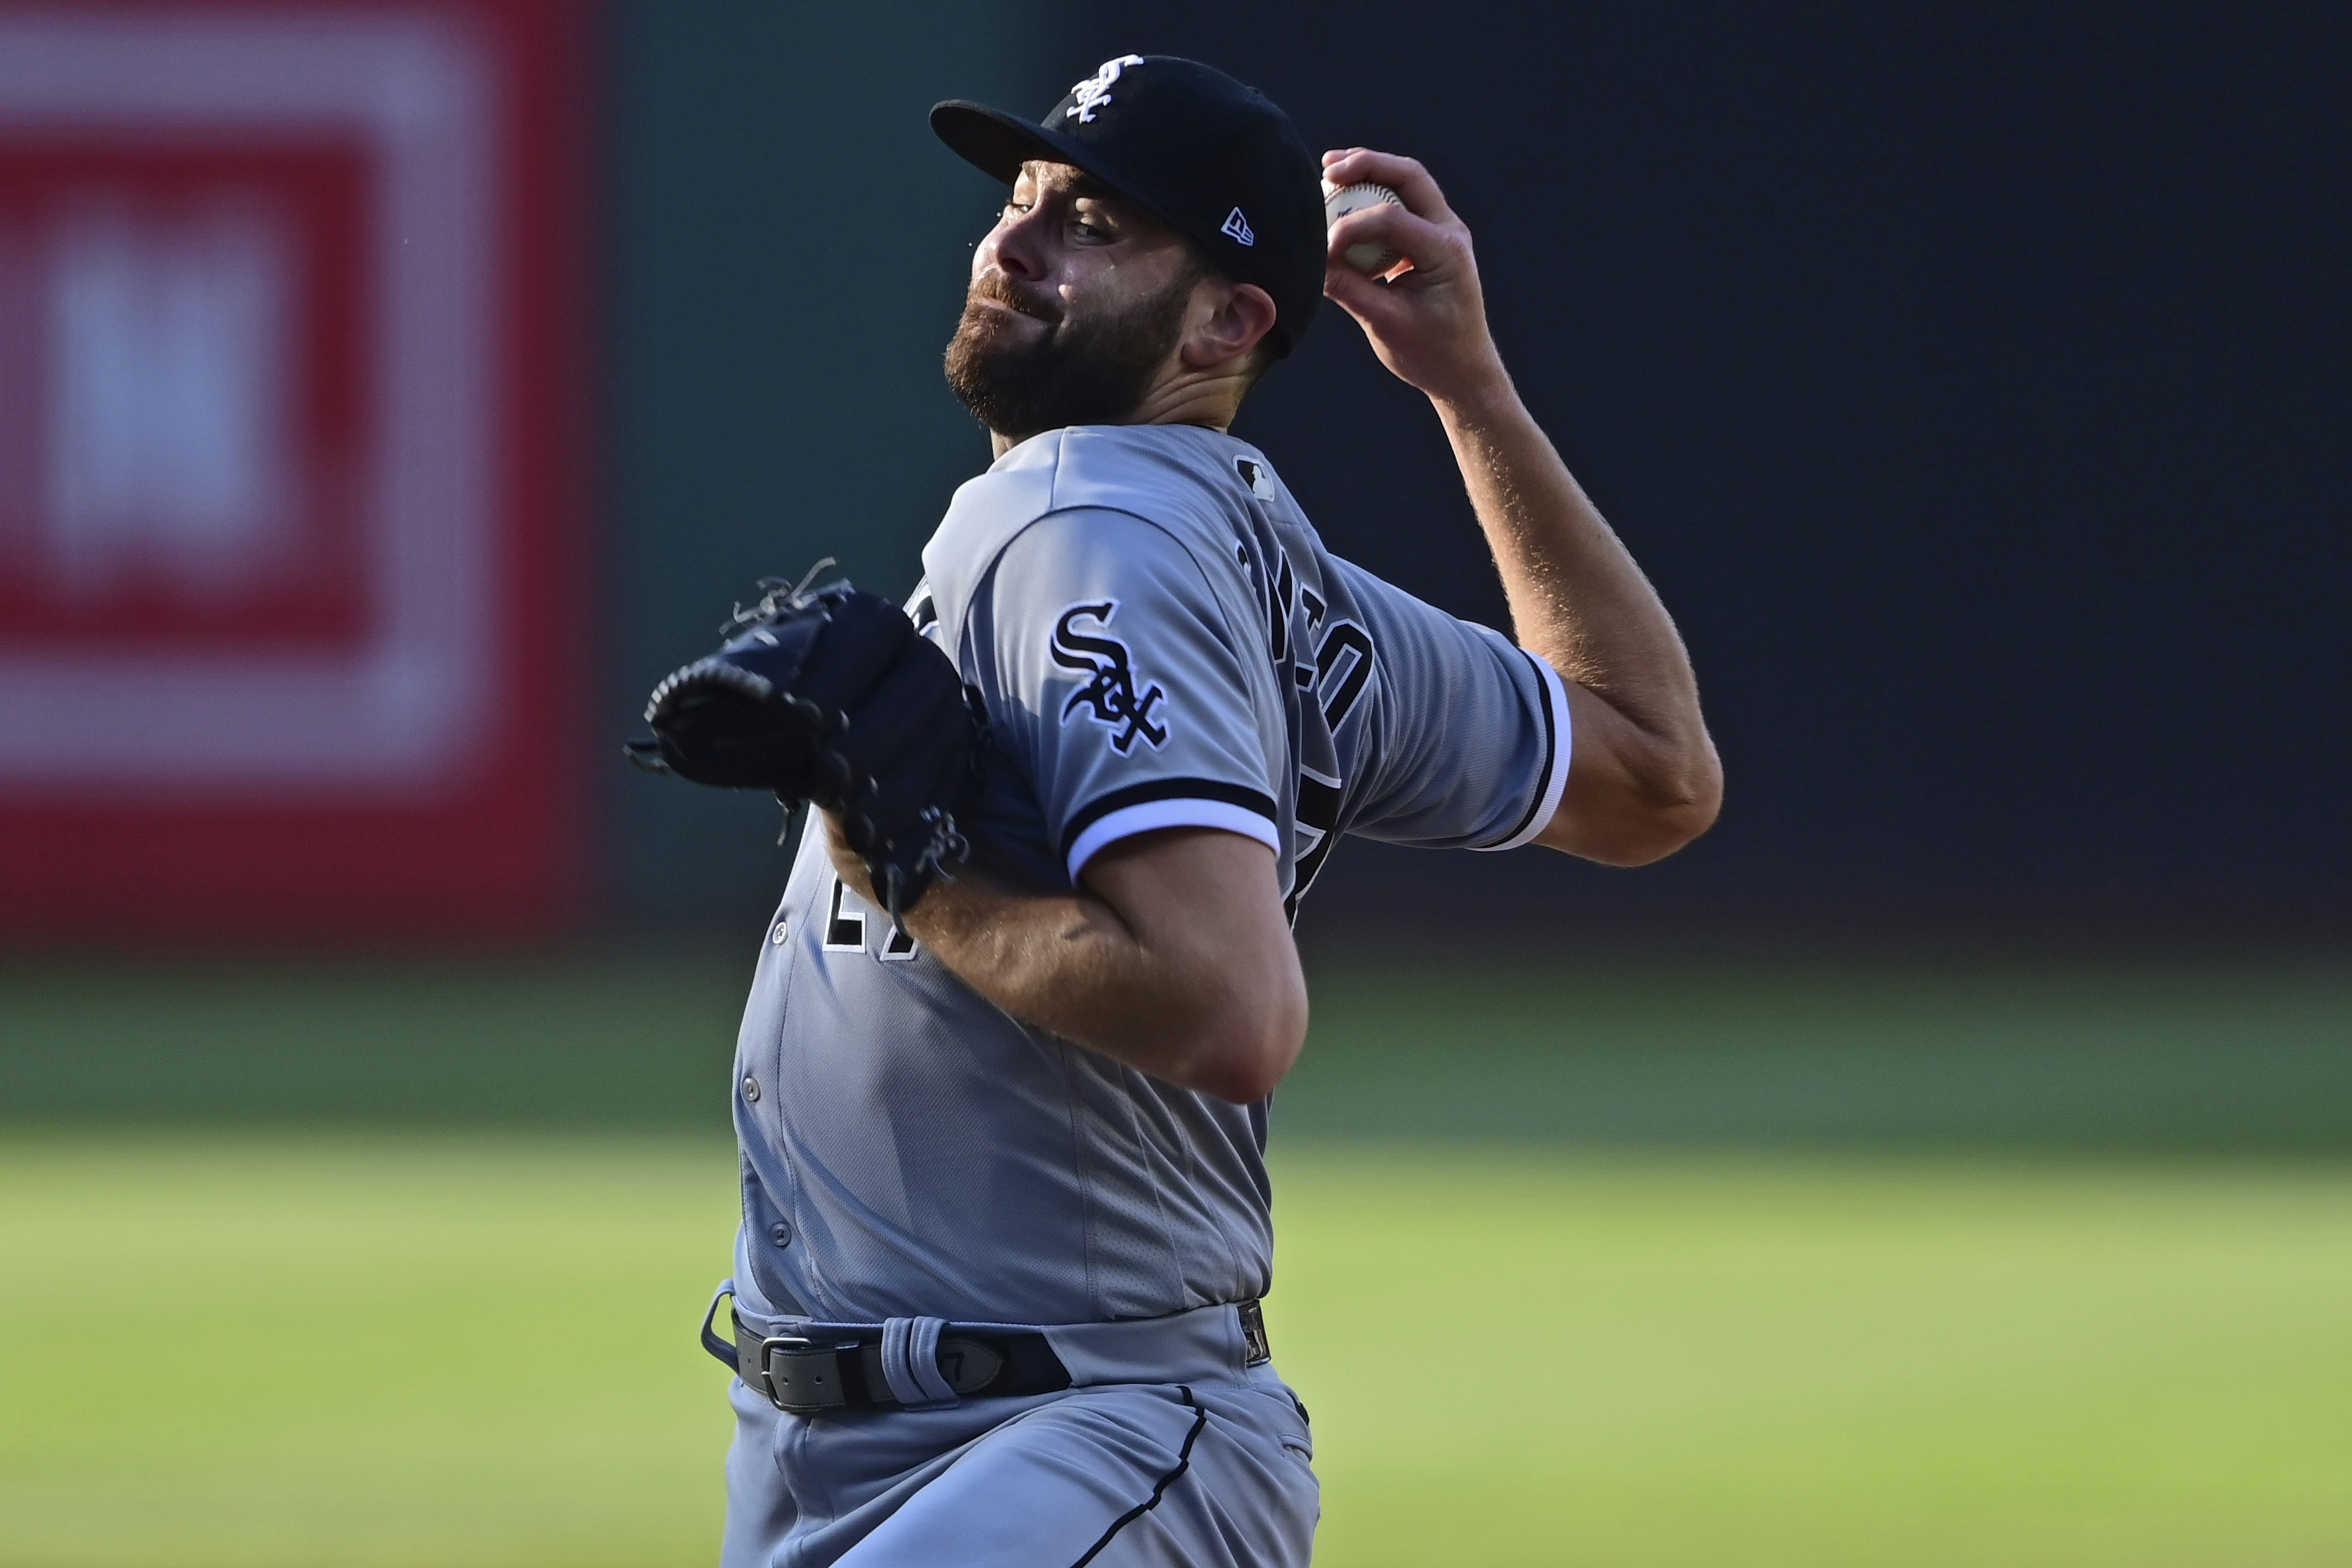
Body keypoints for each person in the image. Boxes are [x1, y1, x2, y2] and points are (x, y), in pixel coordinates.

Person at [706, 53, 1720, 1568]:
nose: (1015, 242)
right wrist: (1471, 388)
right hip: (918, 1440)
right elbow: (1651, 769)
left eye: (1096, 223)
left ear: (1230, 319)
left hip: (1069, 1434)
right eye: (1025, 199)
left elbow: (1229, 1011)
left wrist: (922, 877)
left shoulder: (1097, 516)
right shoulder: (1224, 549)